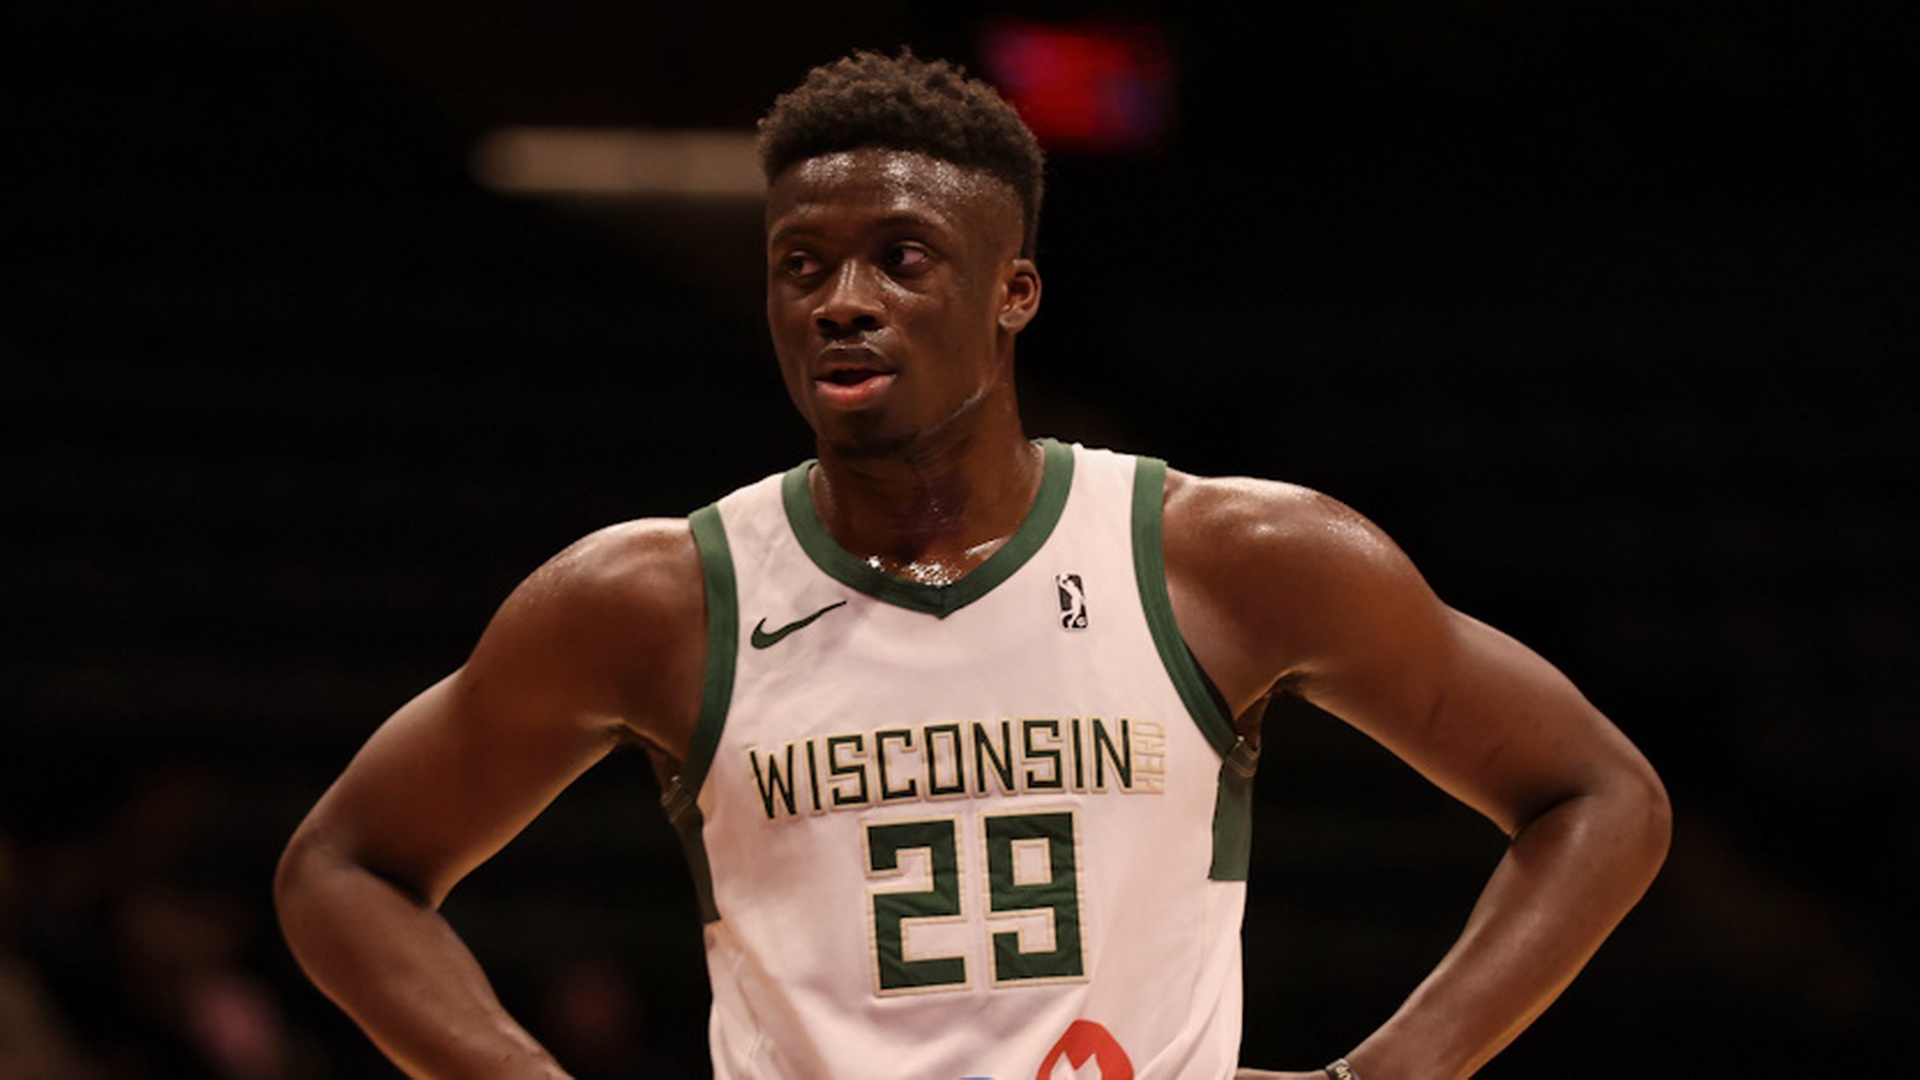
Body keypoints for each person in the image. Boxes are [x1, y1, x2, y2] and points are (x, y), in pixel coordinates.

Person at [275, 49, 1670, 1079]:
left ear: (1015, 292)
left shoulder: (1226, 556)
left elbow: (1600, 795)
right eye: (802, 266)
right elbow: (344, 868)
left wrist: (1398, 1070)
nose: (844, 302)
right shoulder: (656, 598)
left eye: (902, 259)